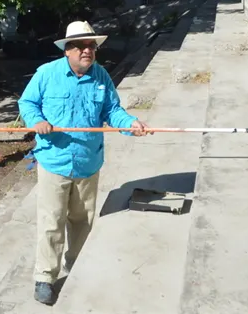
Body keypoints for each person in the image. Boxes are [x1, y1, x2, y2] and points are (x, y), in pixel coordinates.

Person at [18, 21, 152, 306]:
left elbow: (112, 111)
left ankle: (77, 267)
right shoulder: (47, 74)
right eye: (81, 45)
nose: (88, 50)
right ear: (68, 50)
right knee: (51, 221)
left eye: (92, 46)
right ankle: (45, 277)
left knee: (82, 222)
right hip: (54, 161)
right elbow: (27, 103)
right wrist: (37, 121)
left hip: (88, 163)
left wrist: (131, 124)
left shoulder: (101, 77)